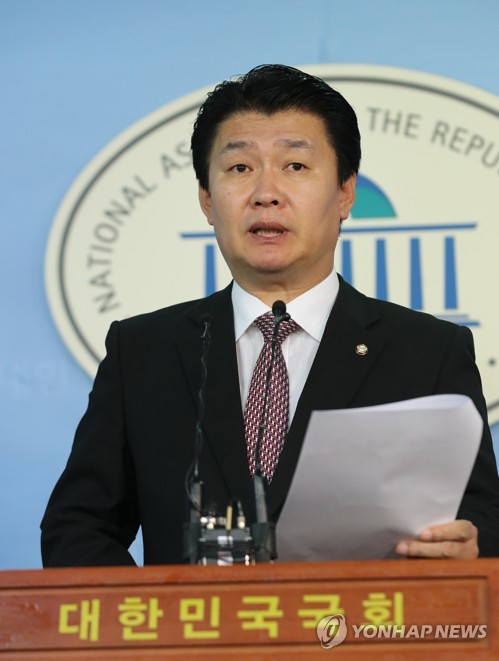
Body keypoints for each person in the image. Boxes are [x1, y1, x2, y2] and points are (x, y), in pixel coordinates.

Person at [41, 64, 499, 567]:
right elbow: (78, 527)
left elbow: (482, 520)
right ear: (207, 199)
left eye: (295, 166)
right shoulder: (143, 352)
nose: (265, 192)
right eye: (240, 168)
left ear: (345, 193)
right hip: (192, 620)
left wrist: (469, 547)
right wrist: (155, 612)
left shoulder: (429, 352)